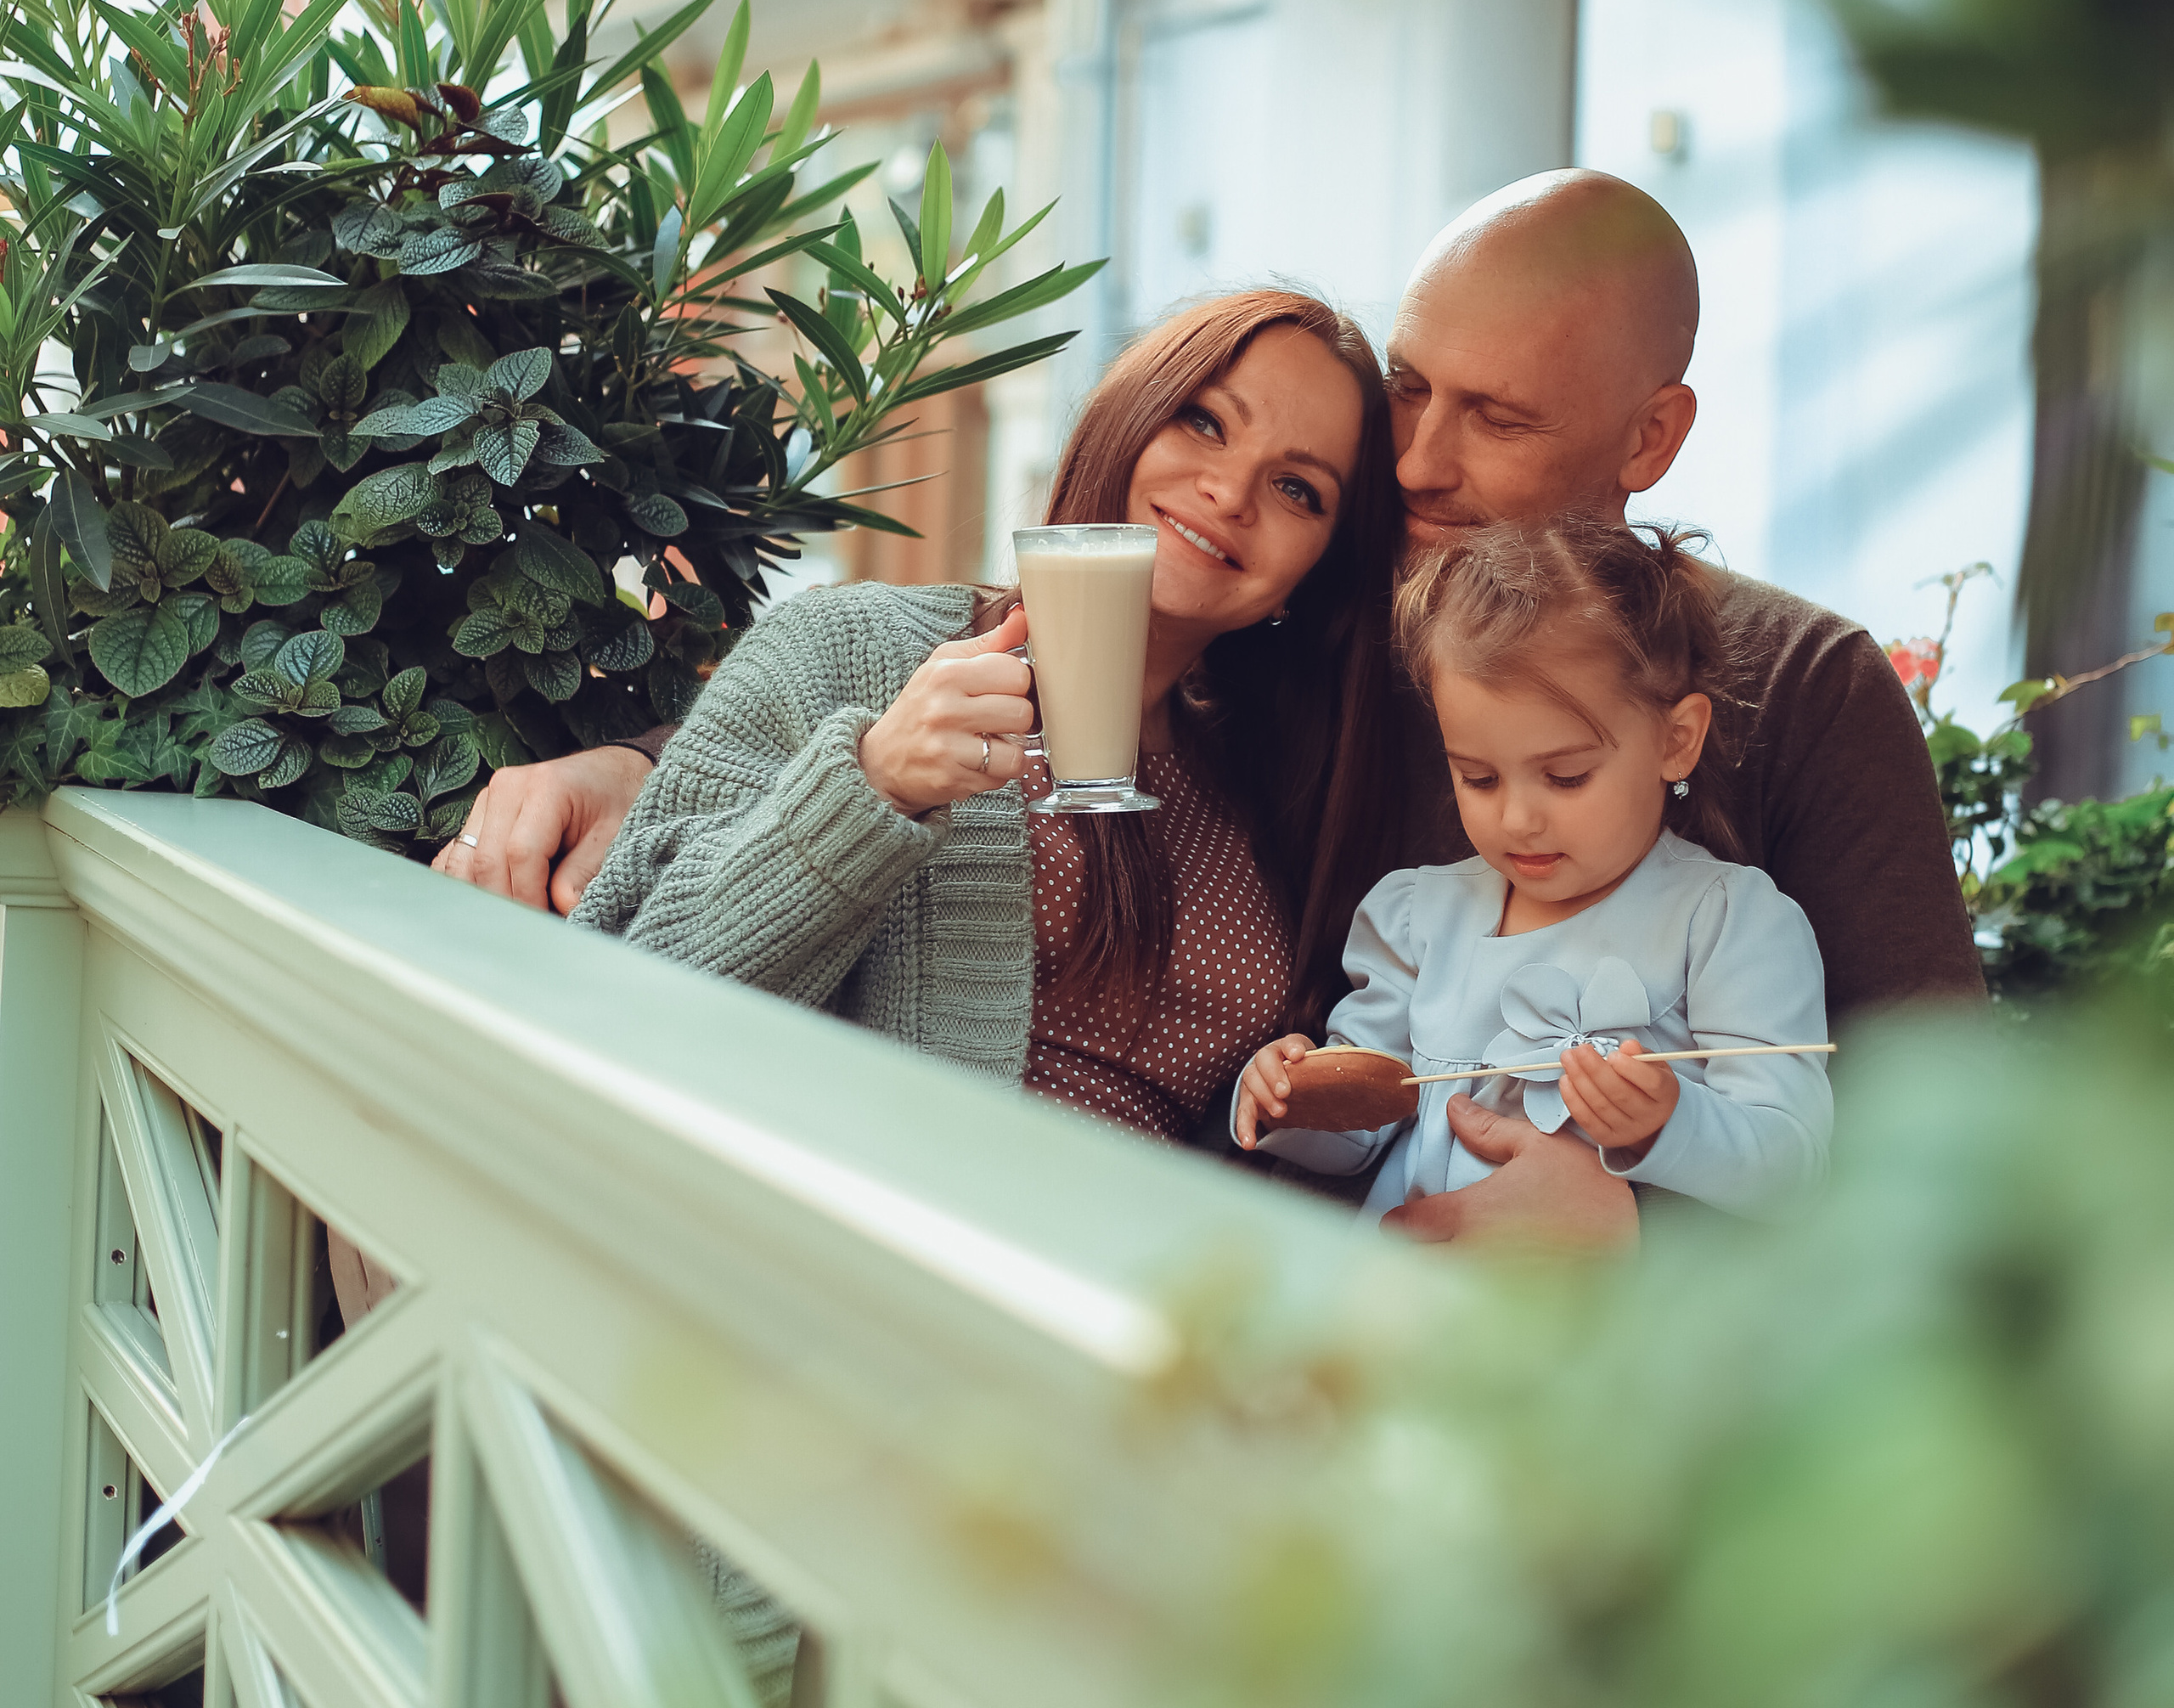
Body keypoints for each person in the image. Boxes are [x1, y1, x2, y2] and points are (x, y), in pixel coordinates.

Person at [442, 169, 1980, 1243]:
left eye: (1497, 420)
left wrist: (1641, 1246)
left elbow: (1944, 1168)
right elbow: (1035, 635)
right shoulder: (1318, 632)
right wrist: (634, 761)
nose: (1424, 464)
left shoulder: (1798, 690)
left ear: (1652, 436)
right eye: (1412, 393)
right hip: (1070, 1315)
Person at [562, 290, 1401, 1142]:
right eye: (1204, 422)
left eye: (1299, 488)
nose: (1229, 491)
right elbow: (622, 998)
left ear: (1315, 575)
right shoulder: (849, 647)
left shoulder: (1277, 793)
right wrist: (876, 785)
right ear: (1126, 415)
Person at [1236, 516, 1832, 1216]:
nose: (1517, 819)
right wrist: (1290, 1098)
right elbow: (1362, 1131)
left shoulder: (1726, 922)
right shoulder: (1418, 918)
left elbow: (1795, 1164)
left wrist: (1670, 1124)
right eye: (1479, 779)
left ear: (1677, 741)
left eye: (1567, 776)